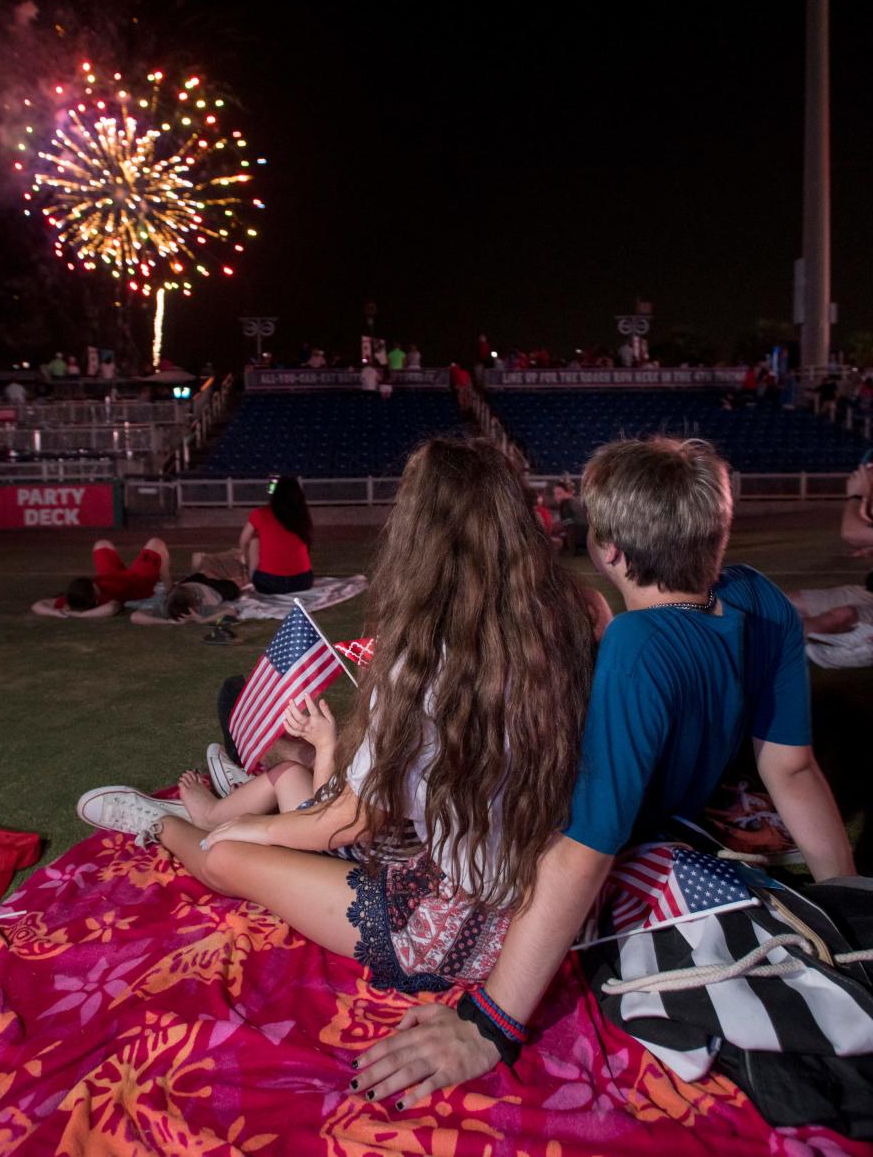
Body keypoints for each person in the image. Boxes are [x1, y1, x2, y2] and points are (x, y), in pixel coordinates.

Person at [77, 438, 597, 1103]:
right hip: (534, 905)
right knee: (295, 775)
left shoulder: (419, 666)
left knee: (227, 855)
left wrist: (254, 835)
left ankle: (161, 826)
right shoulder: (578, 618)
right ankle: (232, 804)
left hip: (452, 931)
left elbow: (346, 820)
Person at [347, 436, 853, 1102]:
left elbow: (586, 849)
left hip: (600, 844)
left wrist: (491, 1023)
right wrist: (846, 902)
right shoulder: (762, 601)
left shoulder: (637, 648)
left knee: (388, 812)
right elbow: (792, 770)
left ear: (609, 550)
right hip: (675, 807)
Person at [787, 462, 873, 667]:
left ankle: (756, 652)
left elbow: (852, 533)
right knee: (786, 604)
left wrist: (857, 495)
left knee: (842, 616)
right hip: (868, 591)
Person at [31, 538, 170, 618]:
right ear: (95, 597)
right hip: (137, 580)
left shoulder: (74, 598)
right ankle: (168, 584)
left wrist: (56, 613)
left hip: (110, 576)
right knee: (156, 543)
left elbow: (37, 605)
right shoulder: (106, 600)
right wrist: (81, 615)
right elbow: (111, 608)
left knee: (101, 544)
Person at [238, 476, 313, 595]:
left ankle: (251, 577)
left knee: (255, 540)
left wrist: (245, 561)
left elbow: (243, 540)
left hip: (270, 583)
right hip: (303, 581)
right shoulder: (301, 515)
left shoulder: (260, 514)